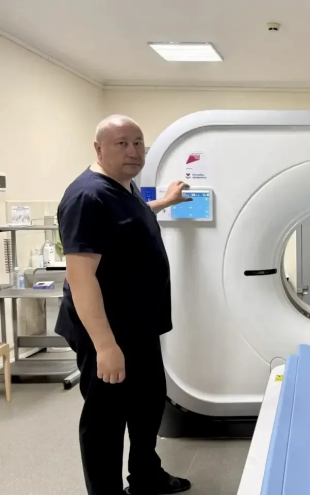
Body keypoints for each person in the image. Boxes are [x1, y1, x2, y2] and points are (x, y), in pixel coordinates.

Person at [55, 115, 193, 495]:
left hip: (139, 328)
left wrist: (165, 202)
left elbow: (129, 221)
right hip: (108, 331)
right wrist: (105, 346)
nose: (134, 151)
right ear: (98, 148)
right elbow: (81, 277)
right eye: (122, 143)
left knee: (148, 405)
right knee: (106, 420)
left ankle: (146, 476)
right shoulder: (88, 197)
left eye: (138, 143)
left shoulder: (124, 188)